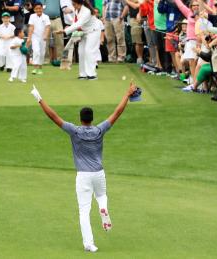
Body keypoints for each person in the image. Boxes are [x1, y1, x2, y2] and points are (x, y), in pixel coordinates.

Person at [30, 81, 138, 252]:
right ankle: (103, 208)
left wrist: (39, 98)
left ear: (81, 119)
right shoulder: (99, 130)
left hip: (83, 176)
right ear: (92, 119)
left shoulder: (75, 131)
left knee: (84, 211)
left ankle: (89, 244)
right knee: (101, 196)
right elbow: (117, 113)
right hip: (98, 173)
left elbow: (53, 116)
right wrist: (126, 94)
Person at [56, 0, 100, 80]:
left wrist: (65, 31)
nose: (73, 6)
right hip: (83, 32)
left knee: (89, 51)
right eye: (72, 4)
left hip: (93, 31)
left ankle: (92, 74)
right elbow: (74, 22)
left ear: (80, 3)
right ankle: (82, 74)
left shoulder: (87, 11)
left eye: (74, 4)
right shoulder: (77, 9)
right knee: (81, 51)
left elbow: (78, 24)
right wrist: (68, 28)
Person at [27, 2, 50, 75]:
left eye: (40, 8)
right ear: (34, 9)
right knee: (36, 51)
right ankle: (35, 68)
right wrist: (29, 38)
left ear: (42, 8)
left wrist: (45, 35)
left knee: (42, 53)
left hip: (43, 37)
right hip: (35, 36)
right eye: (36, 9)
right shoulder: (32, 16)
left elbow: (47, 27)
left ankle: (40, 68)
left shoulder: (46, 17)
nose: (38, 10)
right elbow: (31, 27)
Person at [41, 0, 64, 66]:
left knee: (60, 40)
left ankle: (60, 60)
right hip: (44, 20)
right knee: (45, 41)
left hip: (57, 19)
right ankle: (46, 60)